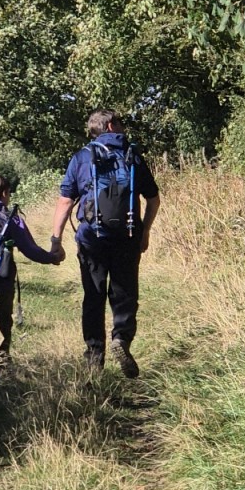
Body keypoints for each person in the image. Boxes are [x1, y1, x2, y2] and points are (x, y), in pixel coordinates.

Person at [49, 110, 160, 377]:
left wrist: (56, 240)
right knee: (124, 294)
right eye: (120, 123)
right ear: (111, 125)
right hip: (128, 236)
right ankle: (121, 339)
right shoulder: (132, 155)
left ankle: (94, 356)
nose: (123, 128)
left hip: (91, 239)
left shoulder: (81, 157)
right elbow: (153, 199)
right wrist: (144, 232)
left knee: (94, 296)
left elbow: (65, 201)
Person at [0, 173, 62, 384]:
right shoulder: (10, 218)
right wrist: (51, 258)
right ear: (5, 194)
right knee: (2, 325)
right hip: (3, 283)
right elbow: (29, 248)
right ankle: (1, 368)